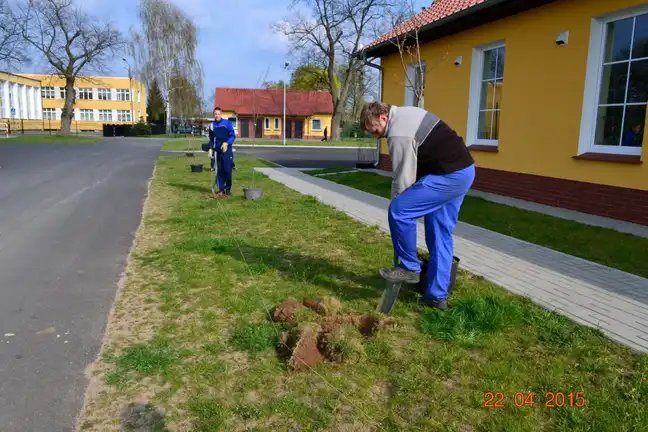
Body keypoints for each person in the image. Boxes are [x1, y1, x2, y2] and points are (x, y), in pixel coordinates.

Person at [360, 101, 475, 310]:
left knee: (400, 211)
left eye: (375, 129)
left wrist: (398, 208)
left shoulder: (398, 133)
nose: (376, 135)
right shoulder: (406, 113)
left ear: (383, 117)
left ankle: (409, 268)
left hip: (447, 176)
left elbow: (403, 180)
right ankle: (437, 297)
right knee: (439, 233)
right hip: (463, 171)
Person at [208, 107, 236, 197]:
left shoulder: (227, 123)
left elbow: (232, 136)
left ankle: (228, 189)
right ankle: (221, 190)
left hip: (227, 150)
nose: (217, 115)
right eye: (215, 114)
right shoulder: (211, 126)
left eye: (218, 114)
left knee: (227, 170)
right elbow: (211, 139)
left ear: (221, 114)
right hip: (217, 151)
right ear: (213, 115)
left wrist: (227, 144)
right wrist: (210, 149)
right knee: (219, 171)